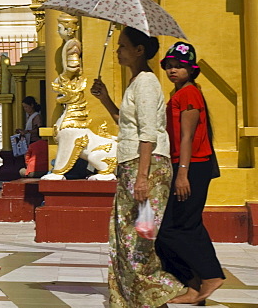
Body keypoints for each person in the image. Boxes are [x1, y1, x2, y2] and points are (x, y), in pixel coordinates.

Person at [90, 27, 186, 307]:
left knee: (139, 239)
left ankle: (167, 290)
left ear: (139, 50)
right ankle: (138, 298)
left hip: (148, 167)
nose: (118, 50)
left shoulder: (146, 82)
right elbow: (129, 126)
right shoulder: (136, 82)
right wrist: (105, 98)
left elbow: (148, 134)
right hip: (134, 164)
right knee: (126, 235)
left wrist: (142, 178)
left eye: (123, 46)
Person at [154, 42, 224, 304]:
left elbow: (187, 136)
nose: (173, 70)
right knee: (177, 227)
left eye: (179, 66)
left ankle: (211, 275)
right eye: (169, 66)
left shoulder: (189, 94)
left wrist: (182, 173)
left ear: (191, 69)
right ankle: (194, 288)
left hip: (192, 165)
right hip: (184, 164)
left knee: (175, 229)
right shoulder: (179, 93)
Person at [17, 96, 48, 178]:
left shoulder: (36, 116)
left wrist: (26, 132)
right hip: (29, 140)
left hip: (34, 141)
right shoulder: (29, 117)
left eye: (26, 107)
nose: (25, 109)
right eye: (24, 107)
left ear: (32, 105)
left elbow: (39, 129)